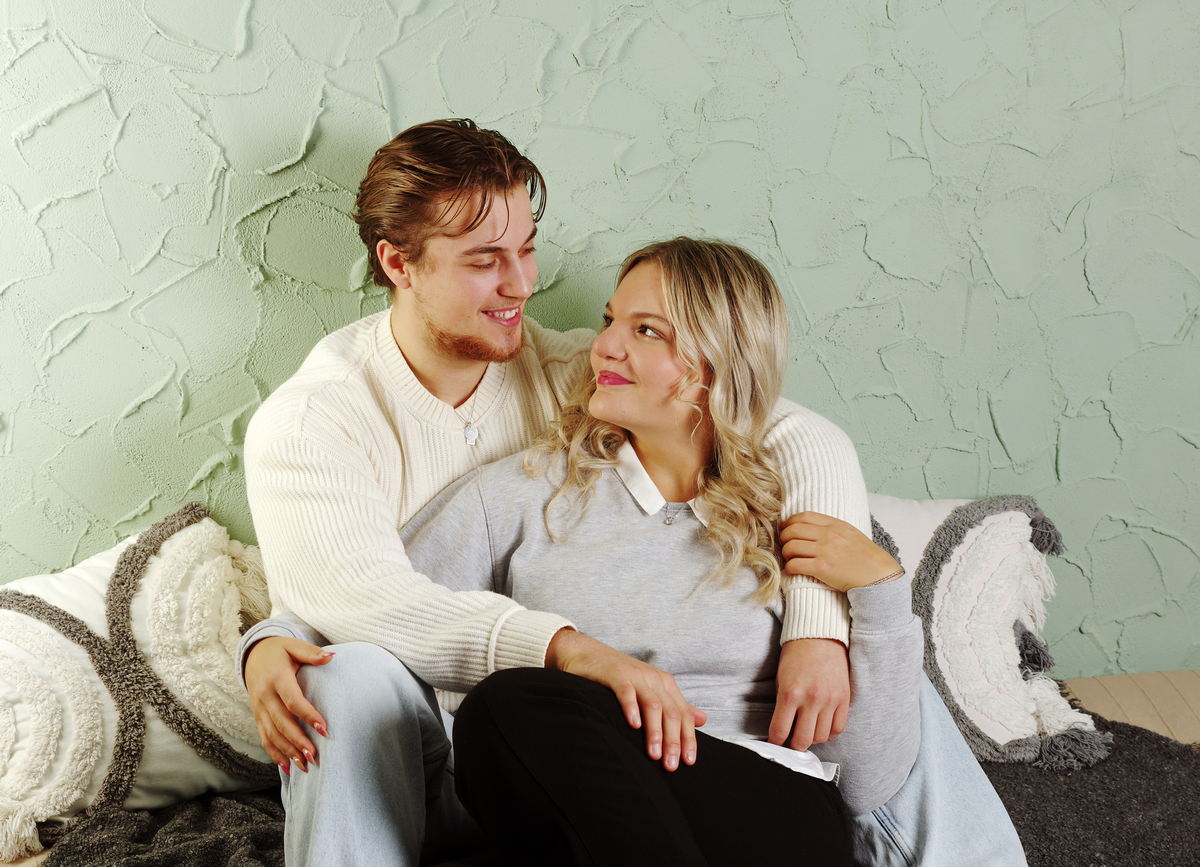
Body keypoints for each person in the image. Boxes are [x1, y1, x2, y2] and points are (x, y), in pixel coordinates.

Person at [240, 119, 871, 866]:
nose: (521, 283)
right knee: (341, 677)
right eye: (485, 260)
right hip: (442, 745)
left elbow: (776, 423)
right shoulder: (315, 420)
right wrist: (271, 638)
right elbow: (361, 597)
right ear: (399, 263)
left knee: (887, 662)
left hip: (563, 763)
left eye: (527, 248)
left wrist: (818, 622)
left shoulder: (570, 373)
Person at [396, 237, 926, 864]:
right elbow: (388, 603)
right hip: (586, 799)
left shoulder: (794, 510)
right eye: (610, 320)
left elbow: (865, 783)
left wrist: (883, 593)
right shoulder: (521, 494)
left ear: (718, 362)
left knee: (510, 711)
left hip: (764, 811)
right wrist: (290, 645)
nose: (604, 346)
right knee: (507, 709)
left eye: (647, 331)